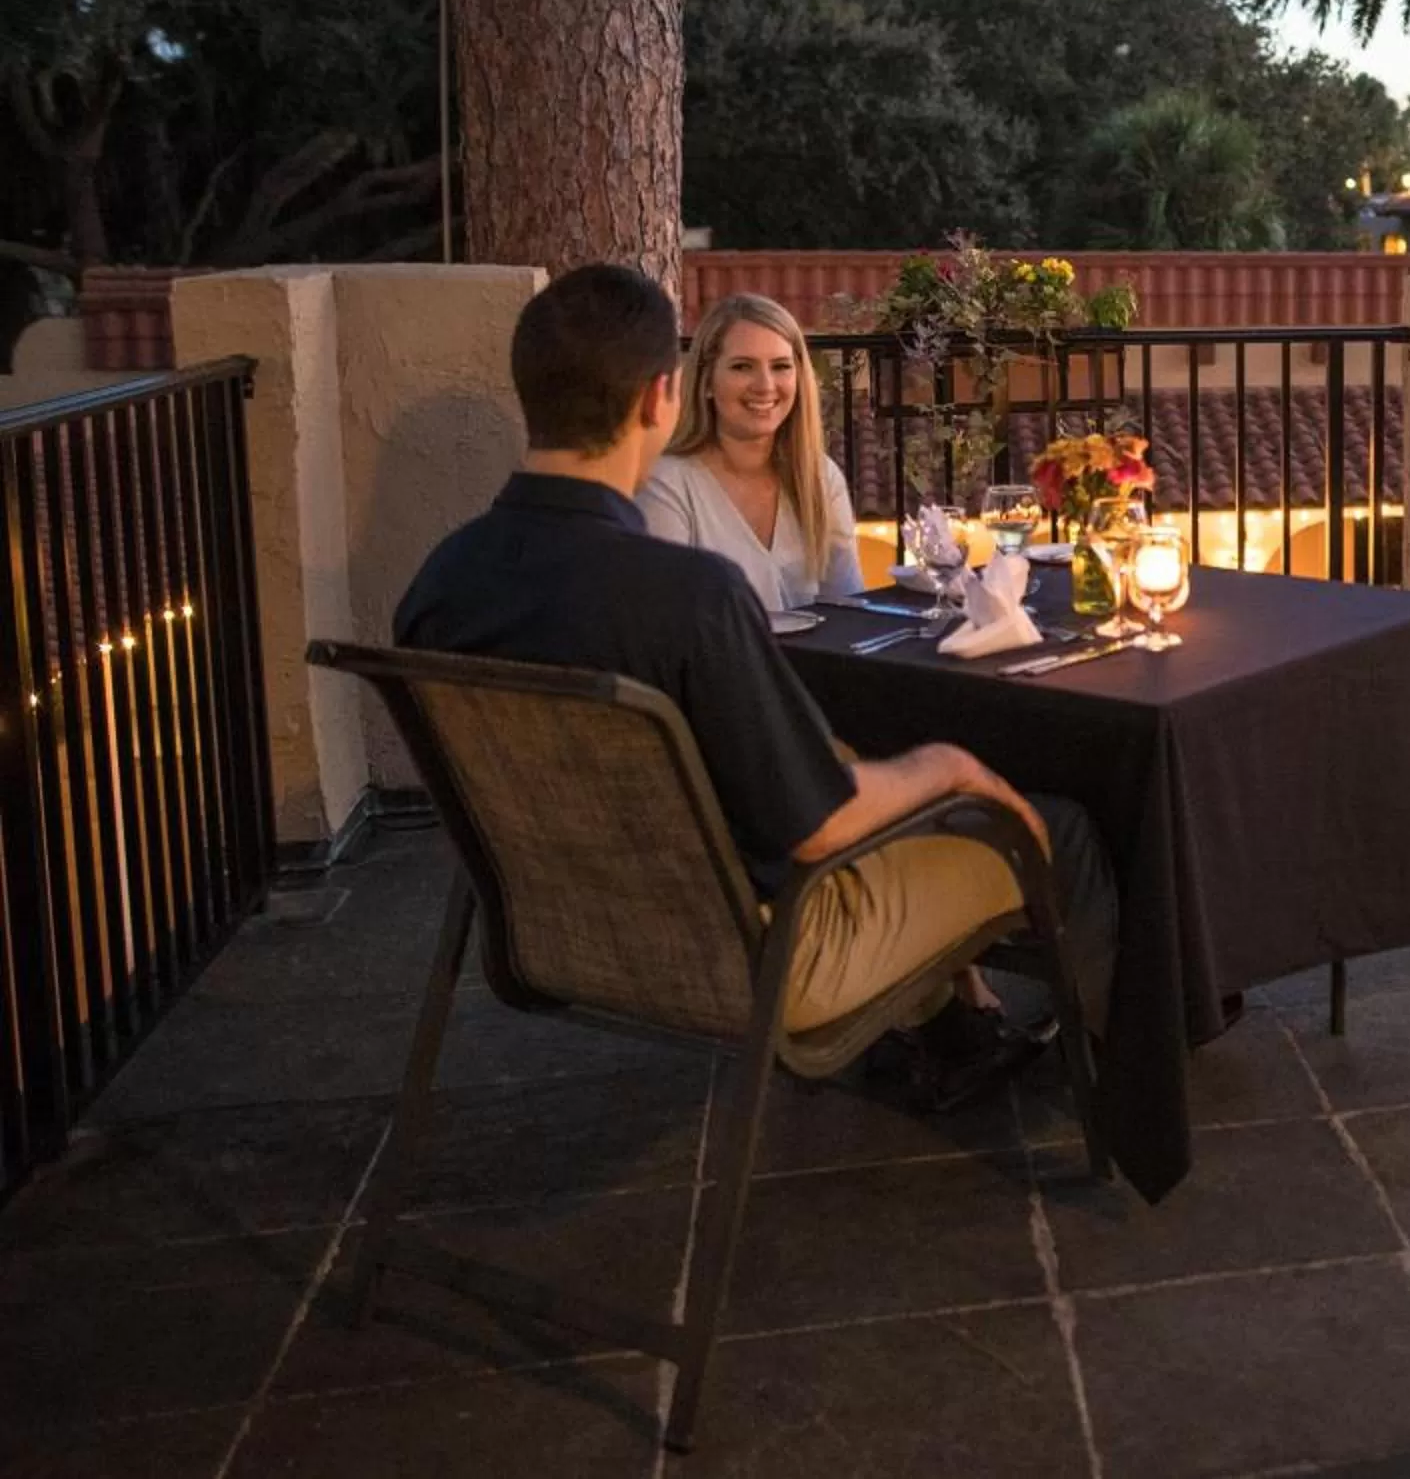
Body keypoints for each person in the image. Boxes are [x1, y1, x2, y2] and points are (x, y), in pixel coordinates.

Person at [395, 265, 1114, 1111]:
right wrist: (953, 766)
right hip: (764, 951)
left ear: (531, 393)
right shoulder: (685, 596)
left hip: (561, 932)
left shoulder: (438, 586)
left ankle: (956, 1030)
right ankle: (1122, 1089)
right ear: (664, 397)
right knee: (1061, 830)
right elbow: (819, 829)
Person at [637, 293, 862, 613]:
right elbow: (666, 623)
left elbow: (849, 609)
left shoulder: (821, 477)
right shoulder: (667, 485)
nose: (765, 385)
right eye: (743, 366)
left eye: (781, 366)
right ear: (706, 382)